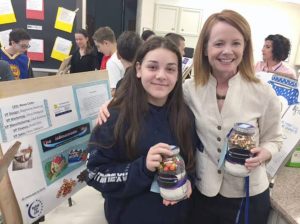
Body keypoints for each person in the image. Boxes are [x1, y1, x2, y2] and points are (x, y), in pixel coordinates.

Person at [97, 10, 282, 224]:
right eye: (219, 43)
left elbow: (275, 139)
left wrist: (265, 152)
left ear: (246, 47)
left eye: (236, 43)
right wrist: (114, 102)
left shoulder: (263, 92)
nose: (227, 51)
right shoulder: (189, 89)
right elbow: (153, 90)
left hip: (247, 194)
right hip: (201, 193)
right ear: (204, 48)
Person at [86, 37, 201, 224]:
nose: (162, 75)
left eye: (170, 69)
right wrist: (142, 168)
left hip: (176, 216)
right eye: (153, 67)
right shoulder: (114, 116)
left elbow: (192, 162)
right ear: (139, 69)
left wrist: (188, 181)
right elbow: (94, 173)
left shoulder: (185, 115)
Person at [93, 26, 124, 95]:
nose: (99, 50)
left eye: (98, 46)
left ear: (106, 43)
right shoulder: (123, 55)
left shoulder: (112, 62)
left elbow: (114, 91)